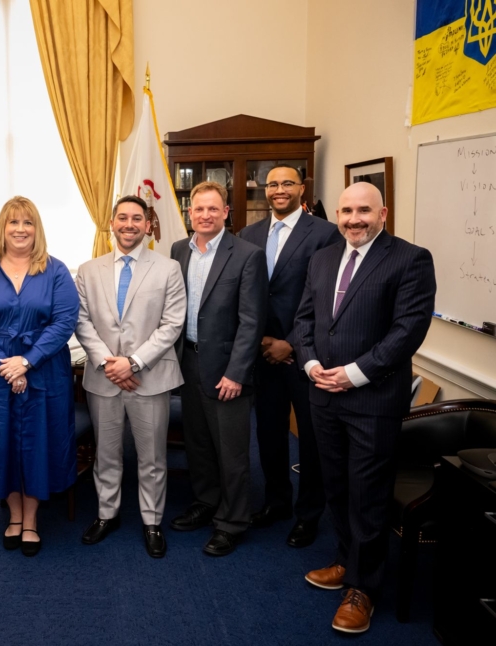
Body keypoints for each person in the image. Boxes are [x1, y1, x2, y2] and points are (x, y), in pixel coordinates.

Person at [292, 182, 435, 634]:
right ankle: (345, 559)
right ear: (336, 214)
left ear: (383, 213)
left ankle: (364, 588)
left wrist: (353, 373)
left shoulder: (410, 259)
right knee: (334, 485)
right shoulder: (322, 258)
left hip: (372, 398)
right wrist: (312, 363)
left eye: (364, 211)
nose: (354, 219)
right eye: (346, 211)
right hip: (322, 394)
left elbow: (406, 331)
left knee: (368, 494)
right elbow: (304, 321)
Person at [0, 196, 79, 557]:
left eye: (27, 223)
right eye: (13, 223)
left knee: (38, 444)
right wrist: (5, 364)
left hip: (45, 374)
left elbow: (64, 321)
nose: (20, 229)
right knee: (1, 445)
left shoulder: (56, 271)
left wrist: (26, 362)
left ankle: (32, 519)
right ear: (2, 228)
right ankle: (13, 514)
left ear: (36, 229)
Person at [75, 195, 185, 558]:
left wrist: (133, 362)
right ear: (112, 222)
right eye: (122, 217)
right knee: (106, 454)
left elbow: (172, 324)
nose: (129, 224)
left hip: (150, 378)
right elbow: (81, 321)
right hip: (103, 378)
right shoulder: (88, 270)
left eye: (137, 218)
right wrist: (110, 363)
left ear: (148, 224)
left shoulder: (167, 268)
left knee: (152, 457)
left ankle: (152, 520)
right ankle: (107, 514)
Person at [238, 165, 342, 548]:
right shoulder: (248, 235)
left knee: (311, 440)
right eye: (272, 184)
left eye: (287, 183)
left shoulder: (326, 234)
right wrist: (262, 341)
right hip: (262, 354)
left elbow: (328, 300)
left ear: (302, 188)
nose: (279, 190)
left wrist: (293, 344)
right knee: (268, 433)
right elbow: (246, 295)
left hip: (306, 355)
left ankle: (308, 514)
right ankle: (277, 502)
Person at [169, 181, 267, 556]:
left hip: (227, 369)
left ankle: (232, 521)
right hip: (188, 362)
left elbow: (252, 322)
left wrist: (238, 372)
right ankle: (207, 501)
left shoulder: (247, 255)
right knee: (197, 443)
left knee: (232, 451)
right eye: (199, 209)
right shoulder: (179, 250)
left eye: (213, 209)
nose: (205, 215)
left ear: (226, 212)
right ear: (189, 213)